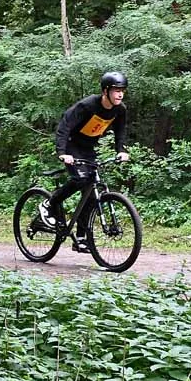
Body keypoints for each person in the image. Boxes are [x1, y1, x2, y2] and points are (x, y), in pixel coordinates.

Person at [38, 71, 130, 253]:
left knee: (90, 190)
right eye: (116, 90)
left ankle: (81, 238)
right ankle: (49, 204)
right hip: (72, 145)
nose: (120, 94)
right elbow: (65, 125)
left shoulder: (120, 110)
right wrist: (62, 152)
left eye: (122, 90)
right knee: (80, 179)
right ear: (105, 91)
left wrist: (121, 150)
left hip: (88, 148)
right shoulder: (87, 105)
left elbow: (120, 132)